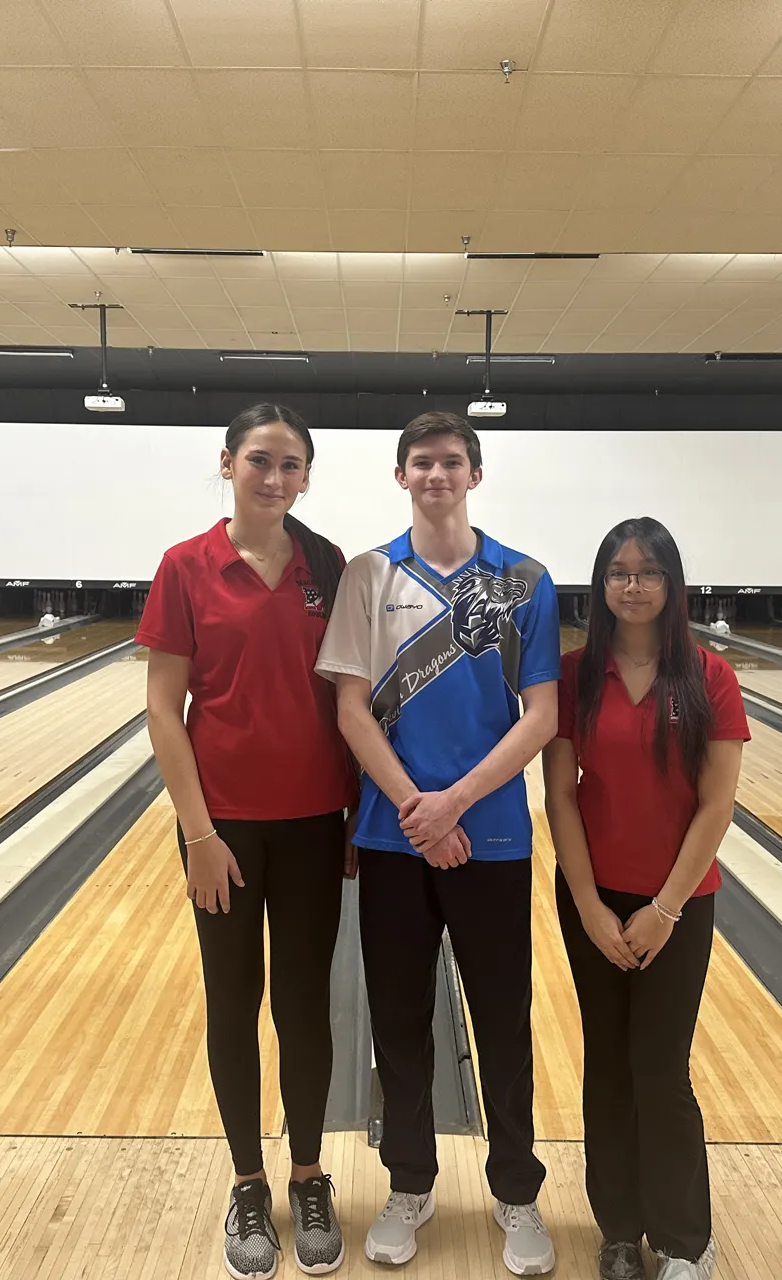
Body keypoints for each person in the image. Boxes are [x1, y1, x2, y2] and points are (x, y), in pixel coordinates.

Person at [314, 412, 561, 1275]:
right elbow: (350, 708)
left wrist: (451, 803)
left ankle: (517, 1195)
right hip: (392, 840)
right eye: (421, 463)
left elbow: (543, 717)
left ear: (475, 475)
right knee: (400, 1024)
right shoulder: (367, 576)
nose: (436, 475)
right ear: (401, 476)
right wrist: (418, 810)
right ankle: (409, 1184)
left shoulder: (526, 580)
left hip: (490, 837)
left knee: (504, 1025)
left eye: (451, 462)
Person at [139, 403, 359, 1280]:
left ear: (307, 476)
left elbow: (349, 698)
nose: (275, 478)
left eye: (291, 465)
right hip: (221, 828)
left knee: (304, 1007)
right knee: (233, 1001)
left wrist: (352, 818)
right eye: (260, 461)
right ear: (227, 464)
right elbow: (163, 706)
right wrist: (197, 833)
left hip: (312, 826)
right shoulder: (185, 566)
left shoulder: (327, 566)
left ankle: (308, 1176)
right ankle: (246, 1180)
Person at [541, 517, 749, 1280]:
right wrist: (591, 906)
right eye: (619, 572)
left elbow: (716, 806)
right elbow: (561, 795)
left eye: (648, 572)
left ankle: (686, 1240)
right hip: (592, 895)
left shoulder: (708, 677)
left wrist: (665, 909)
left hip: (680, 902)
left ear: (672, 584)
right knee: (608, 1066)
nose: (633, 586)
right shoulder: (571, 675)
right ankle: (620, 1231)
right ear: (601, 585)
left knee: (660, 1069)